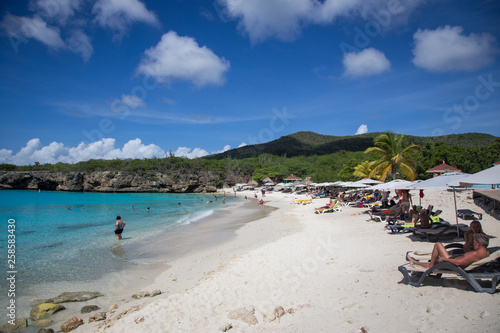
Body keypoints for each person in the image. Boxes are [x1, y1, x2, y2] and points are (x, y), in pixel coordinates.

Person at [409, 233, 489, 269]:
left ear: (479, 244)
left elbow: (459, 263)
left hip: (454, 265)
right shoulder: (486, 253)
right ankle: (415, 262)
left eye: (474, 242)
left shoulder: (475, 254)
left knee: (437, 244)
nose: (473, 243)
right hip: (455, 262)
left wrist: (444, 259)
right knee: (435, 263)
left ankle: (430, 266)